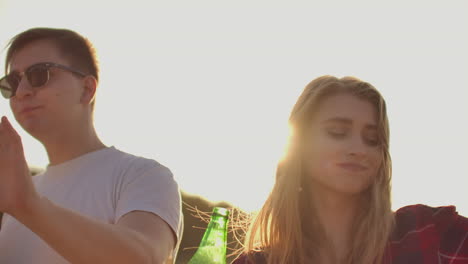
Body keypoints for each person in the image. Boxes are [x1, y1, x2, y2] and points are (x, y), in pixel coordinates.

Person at [232, 76, 468, 264]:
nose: (359, 149)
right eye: (337, 132)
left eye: (372, 139)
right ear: (299, 144)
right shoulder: (259, 262)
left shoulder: (427, 234)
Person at [0, 27, 182, 264]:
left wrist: (28, 205)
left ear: (87, 89)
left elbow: (145, 257)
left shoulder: (142, 175)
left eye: (39, 75)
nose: (22, 92)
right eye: (12, 82)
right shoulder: (17, 193)